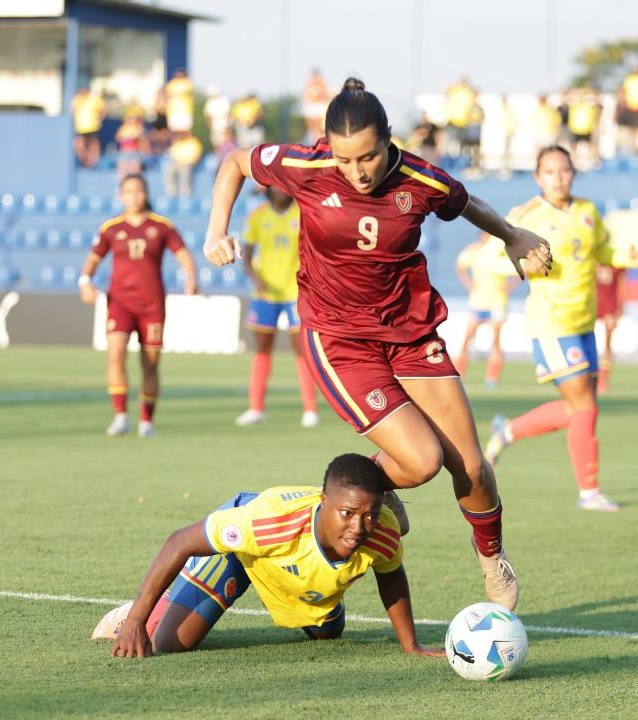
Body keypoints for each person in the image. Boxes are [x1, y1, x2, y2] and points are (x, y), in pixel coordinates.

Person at [202, 78, 555, 610]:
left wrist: (512, 235)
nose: (356, 172)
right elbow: (234, 161)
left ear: (389, 140)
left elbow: (465, 202)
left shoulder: (419, 178)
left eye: (367, 157)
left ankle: (492, 560)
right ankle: (355, 495)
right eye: (344, 160)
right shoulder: (305, 166)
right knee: (419, 462)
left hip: (410, 332)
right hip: (341, 340)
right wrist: (215, 231)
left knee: (473, 466)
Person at [97, 453, 442, 658]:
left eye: (369, 513)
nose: (359, 526)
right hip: (245, 549)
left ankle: (317, 594)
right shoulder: (265, 523)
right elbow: (178, 542)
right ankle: (147, 609)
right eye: (348, 513)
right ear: (325, 502)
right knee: (171, 642)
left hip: (295, 566)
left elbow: (392, 576)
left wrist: (411, 645)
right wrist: (138, 622)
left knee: (329, 634)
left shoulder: (381, 531)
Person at [484, 146, 638, 512]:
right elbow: (492, 258)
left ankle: (507, 432)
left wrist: (629, 258)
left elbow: (603, 252)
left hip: (583, 321)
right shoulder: (525, 215)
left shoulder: (587, 211)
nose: (558, 177)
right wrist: (525, 266)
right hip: (551, 322)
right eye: (550, 171)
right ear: (537, 176)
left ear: (573, 173)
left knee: (579, 408)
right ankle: (588, 491)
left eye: (564, 170)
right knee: (584, 406)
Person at [78, 175, 198, 438]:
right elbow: (92, 260)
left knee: (151, 364)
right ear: (121, 195)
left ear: (146, 193)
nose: (134, 196)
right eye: (129, 191)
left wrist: (191, 277)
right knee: (115, 354)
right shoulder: (111, 228)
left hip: (151, 304)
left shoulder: (162, 226)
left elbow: (182, 253)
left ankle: (146, 420)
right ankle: (120, 416)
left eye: (139, 190)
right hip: (120, 302)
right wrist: (85, 281)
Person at [235, 186, 320, 428]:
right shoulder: (258, 216)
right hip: (266, 293)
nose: (282, 188)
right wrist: (256, 278)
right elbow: (248, 255)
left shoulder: (303, 214)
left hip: (295, 292)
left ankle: (310, 408)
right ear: (268, 188)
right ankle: (256, 407)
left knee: (301, 350)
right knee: (262, 348)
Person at [453, 233, 518, 388]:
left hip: (497, 301)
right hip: (478, 300)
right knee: (467, 338)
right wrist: (469, 284)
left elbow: (520, 267)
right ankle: (459, 376)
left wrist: (510, 286)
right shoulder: (474, 250)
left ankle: (491, 379)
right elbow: (460, 266)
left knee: (496, 340)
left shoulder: (502, 251)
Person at [594, 264, 626, 395]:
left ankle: (603, 379)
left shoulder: (616, 261)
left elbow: (621, 284)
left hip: (609, 306)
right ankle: (589, 376)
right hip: (589, 304)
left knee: (607, 344)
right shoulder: (590, 256)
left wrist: (619, 308)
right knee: (586, 339)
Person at [71, 87, 106, 169]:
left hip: (93, 127)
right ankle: (85, 161)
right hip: (80, 128)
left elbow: (103, 110)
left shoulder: (95, 99)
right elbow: (73, 110)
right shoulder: (77, 100)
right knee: (80, 144)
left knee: (93, 145)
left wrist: (99, 118)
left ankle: (92, 162)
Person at [165, 130, 204, 198]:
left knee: (185, 169)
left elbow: (197, 156)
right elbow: (172, 154)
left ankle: (185, 190)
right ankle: (171, 188)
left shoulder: (194, 142)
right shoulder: (178, 142)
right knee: (169, 167)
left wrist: (188, 162)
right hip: (179, 163)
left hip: (190, 164)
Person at [114, 112, 149, 182]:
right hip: (124, 150)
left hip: (134, 151)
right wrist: (125, 137)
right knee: (123, 165)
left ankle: (138, 179)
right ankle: (121, 180)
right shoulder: (123, 128)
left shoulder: (138, 128)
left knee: (135, 166)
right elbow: (118, 138)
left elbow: (142, 138)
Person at [302, 69, 331, 141]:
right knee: (312, 126)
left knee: (318, 126)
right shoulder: (308, 84)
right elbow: (305, 95)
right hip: (311, 106)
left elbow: (326, 94)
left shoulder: (322, 84)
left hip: (319, 106)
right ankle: (312, 137)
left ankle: (317, 137)